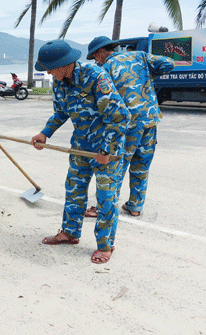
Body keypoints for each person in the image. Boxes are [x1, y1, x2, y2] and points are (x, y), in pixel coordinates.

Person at [30, 40, 130, 264]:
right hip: (80, 147)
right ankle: (70, 233)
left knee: (105, 199)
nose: (47, 72)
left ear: (65, 64)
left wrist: (106, 150)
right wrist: (45, 133)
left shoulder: (95, 76)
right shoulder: (59, 81)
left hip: (107, 149)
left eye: (50, 68)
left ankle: (105, 246)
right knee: (74, 191)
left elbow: (120, 116)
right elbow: (61, 112)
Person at [85, 36, 174, 217]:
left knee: (116, 166)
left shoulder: (105, 69)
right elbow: (169, 63)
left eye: (95, 56)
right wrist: (147, 75)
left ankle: (105, 208)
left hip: (127, 124)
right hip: (150, 119)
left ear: (101, 51)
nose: (96, 60)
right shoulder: (139, 56)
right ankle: (135, 206)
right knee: (141, 165)